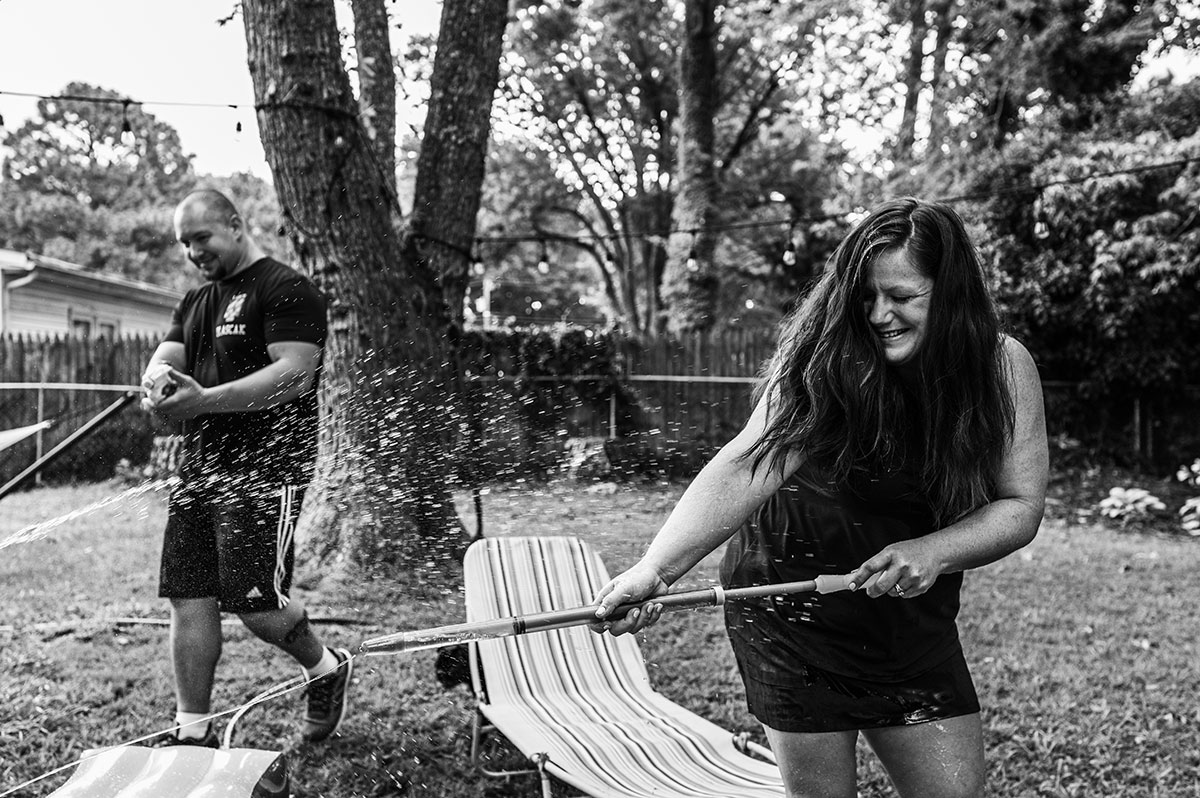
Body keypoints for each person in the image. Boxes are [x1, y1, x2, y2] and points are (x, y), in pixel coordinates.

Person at [592, 198, 1048, 798]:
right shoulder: (825, 355)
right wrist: (657, 569)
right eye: (866, 295)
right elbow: (747, 464)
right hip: (789, 609)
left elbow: (1020, 505)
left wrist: (935, 550)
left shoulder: (999, 367)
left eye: (903, 295)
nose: (880, 314)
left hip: (908, 623)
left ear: (951, 290)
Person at [141, 189, 352, 747]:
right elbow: (166, 359)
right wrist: (156, 384)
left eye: (202, 238)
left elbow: (294, 375)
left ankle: (326, 665)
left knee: (256, 606)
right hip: (200, 469)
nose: (193, 252)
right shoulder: (194, 303)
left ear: (235, 225)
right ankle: (193, 732)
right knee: (189, 596)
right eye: (184, 243)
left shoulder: (286, 289)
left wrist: (203, 400)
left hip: (267, 470)